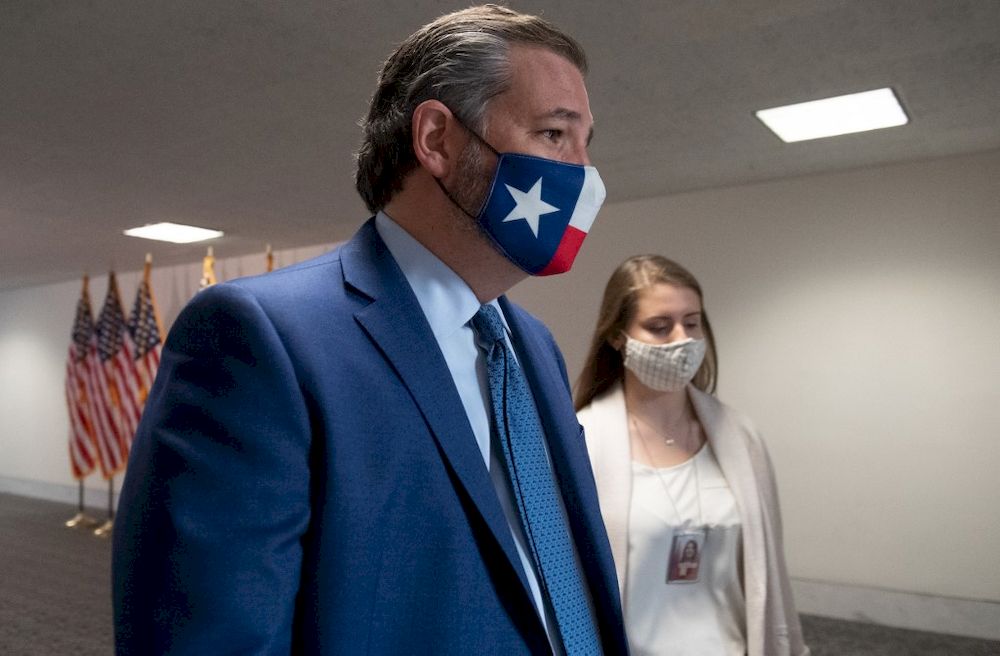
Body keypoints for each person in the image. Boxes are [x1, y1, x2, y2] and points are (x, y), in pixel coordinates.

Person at [112, 6, 628, 654]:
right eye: (555, 134)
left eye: (586, 143)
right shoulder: (256, 340)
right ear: (437, 138)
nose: (582, 174)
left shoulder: (536, 350)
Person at [575, 255, 809, 655]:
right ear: (617, 336)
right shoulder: (582, 440)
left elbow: (770, 571)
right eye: (659, 327)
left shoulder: (739, 437)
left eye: (692, 322)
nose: (681, 340)